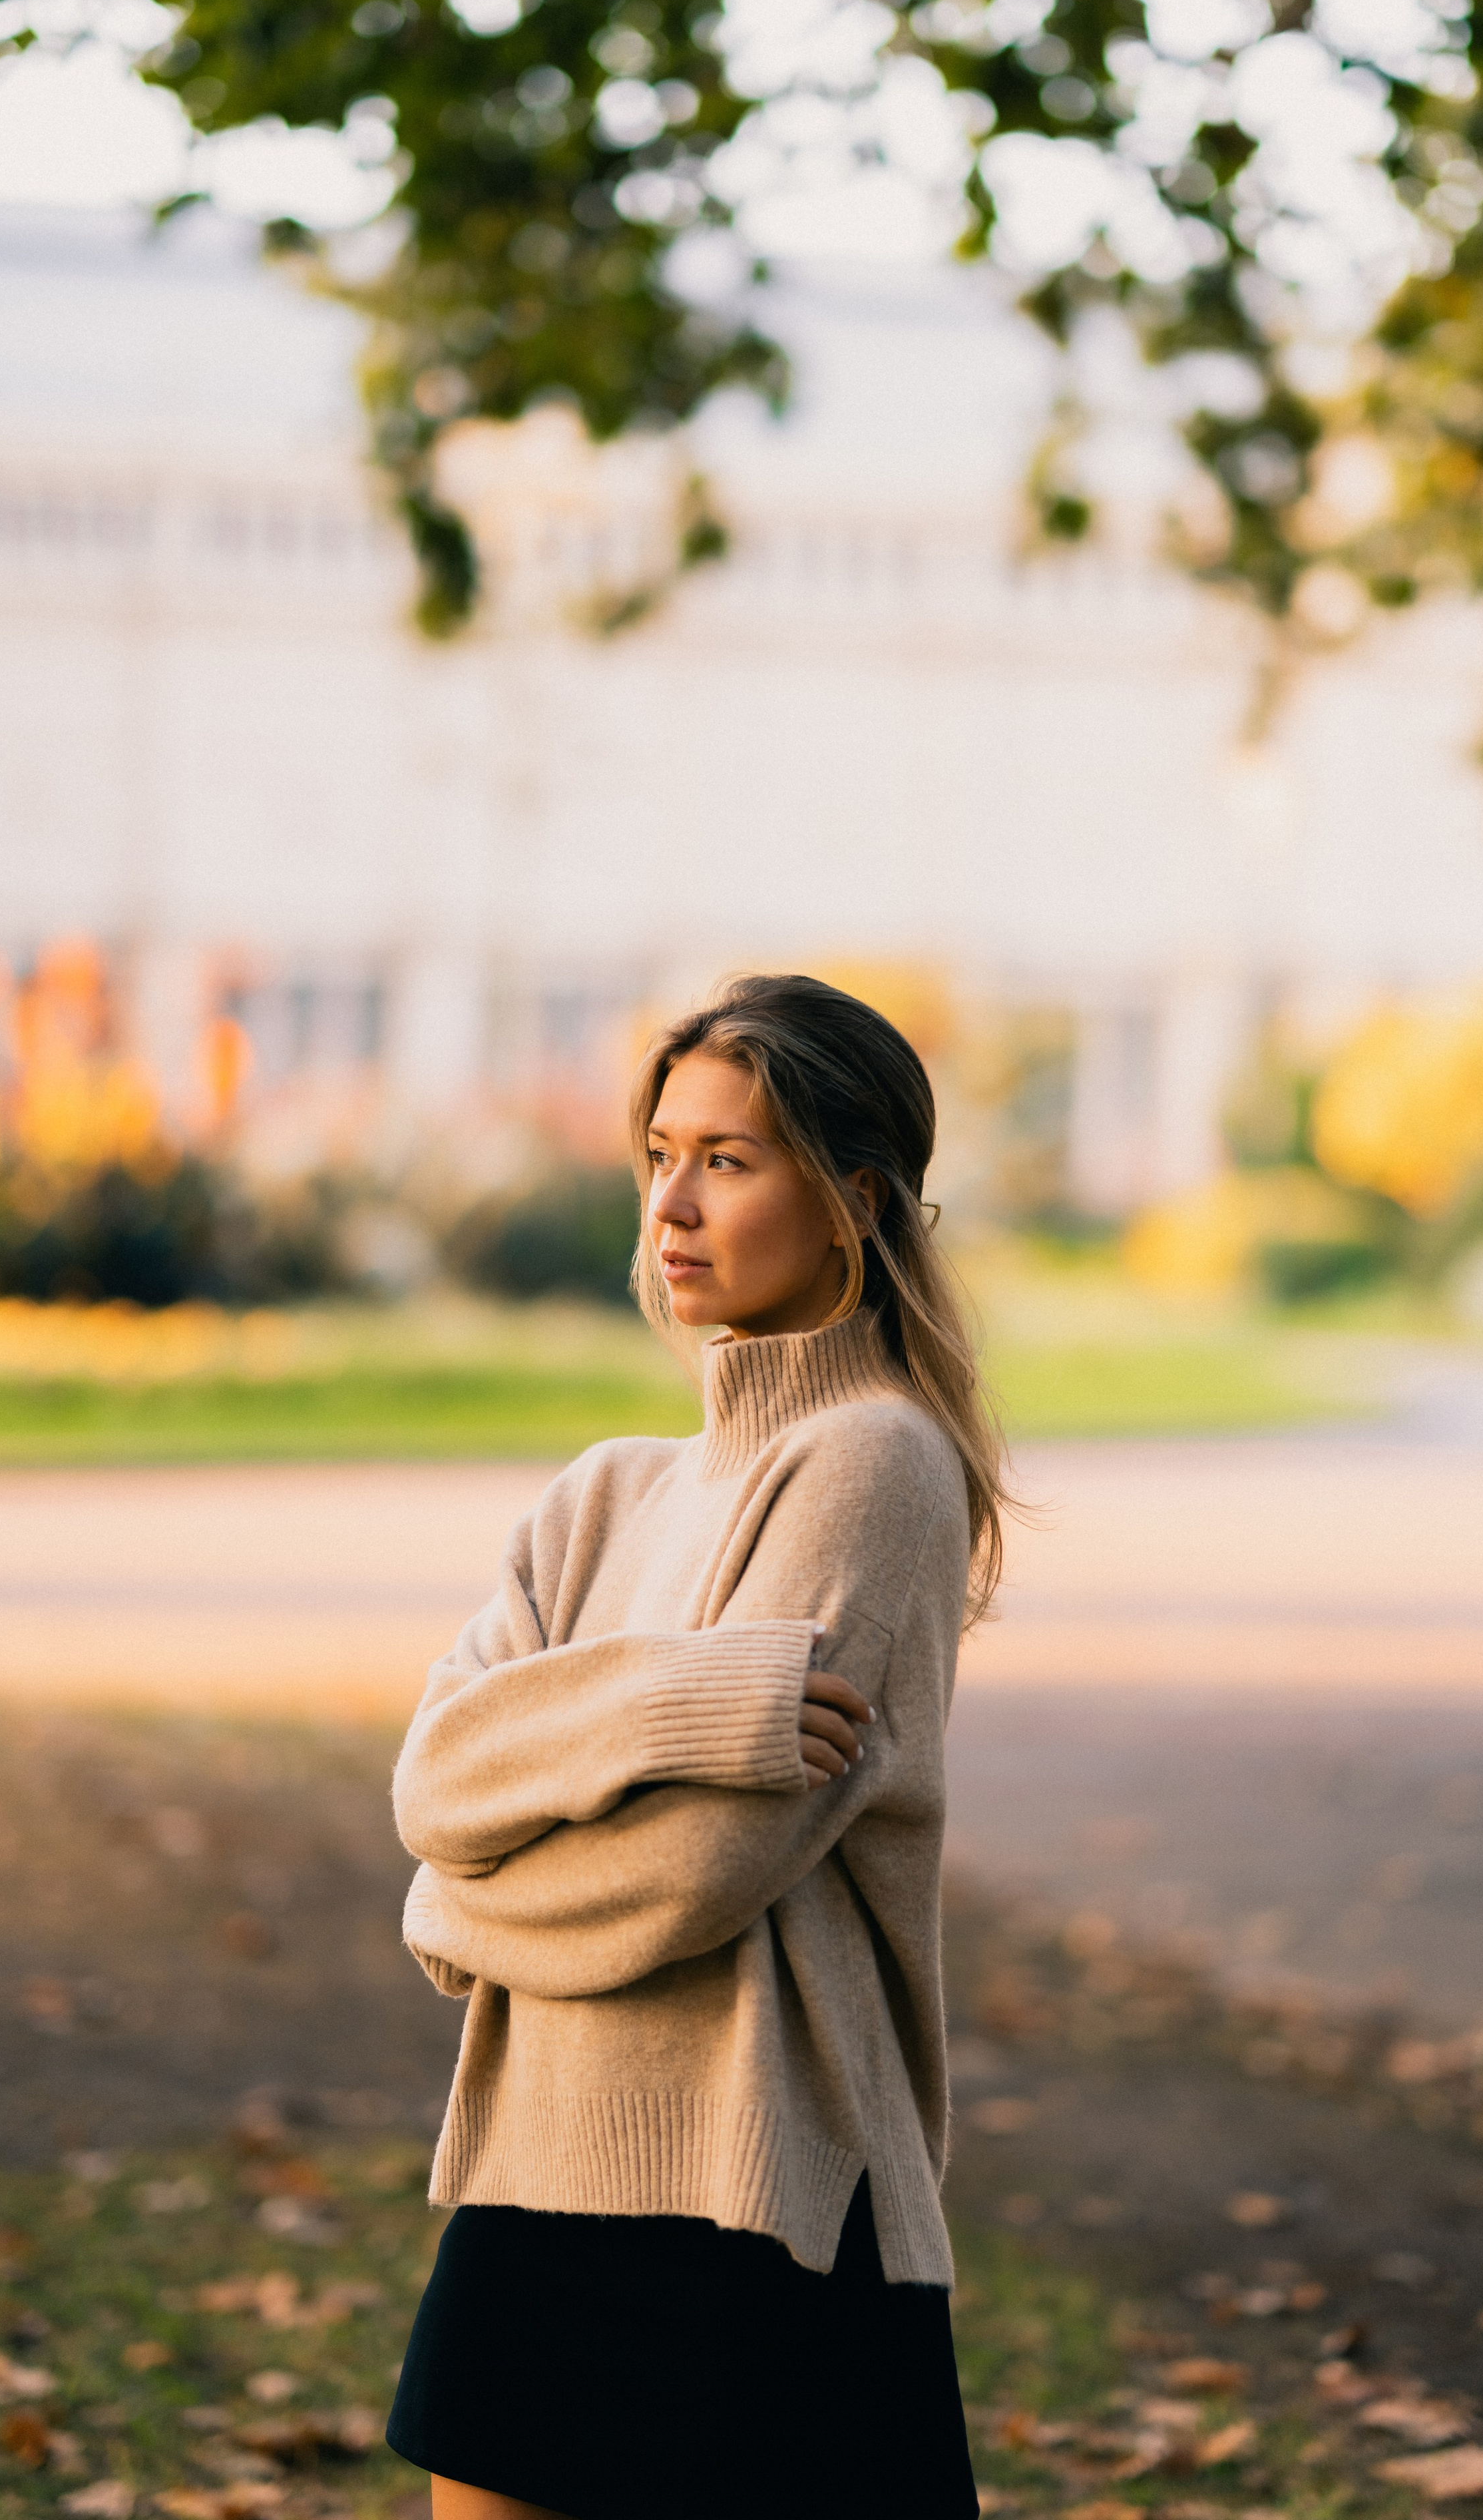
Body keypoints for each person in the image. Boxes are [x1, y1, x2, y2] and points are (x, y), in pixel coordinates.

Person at [386, 973, 1008, 2520]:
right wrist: (674, 1705)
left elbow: (696, 1873)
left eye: (727, 1159)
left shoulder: (873, 1465)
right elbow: (433, 1778)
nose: (671, 1202)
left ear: (852, 1198)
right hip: (534, 2168)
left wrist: (454, 1908)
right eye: (659, 1153)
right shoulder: (600, 1494)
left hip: (760, 2194)